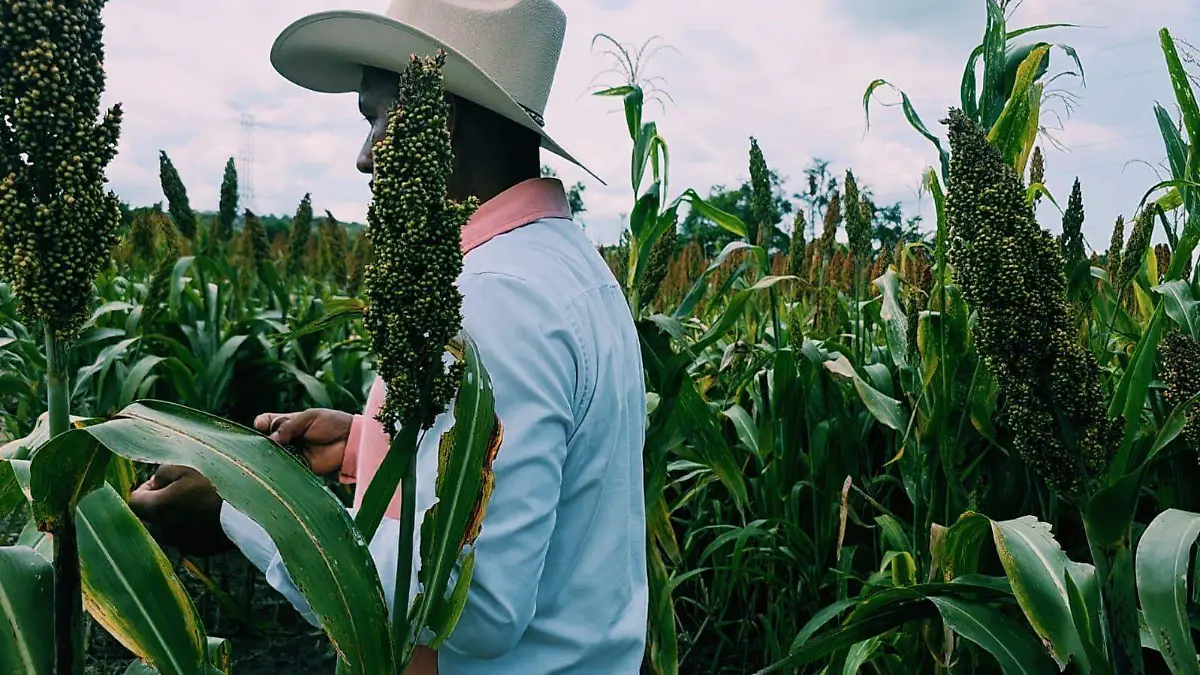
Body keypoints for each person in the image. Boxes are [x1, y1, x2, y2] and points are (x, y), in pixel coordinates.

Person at [128, 1, 649, 673]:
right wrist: (364, 443)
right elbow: (513, 473)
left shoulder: (494, 298)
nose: (365, 158)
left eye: (377, 118)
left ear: (439, 120)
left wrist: (243, 505)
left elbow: (472, 606)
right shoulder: (567, 266)